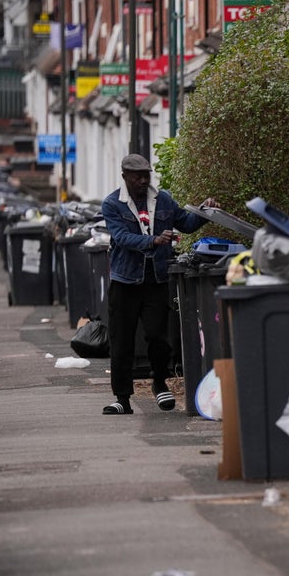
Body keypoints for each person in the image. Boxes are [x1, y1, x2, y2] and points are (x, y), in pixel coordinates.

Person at [100, 153, 217, 415]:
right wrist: (153, 241)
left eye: (146, 175)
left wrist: (204, 210)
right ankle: (122, 398)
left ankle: (160, 383)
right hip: (125, 281)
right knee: (122, 341)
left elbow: (185, 224)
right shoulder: (112, 204)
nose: (143, 181)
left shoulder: (162, 199)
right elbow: (121, 238)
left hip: (156, 278)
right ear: (125, 177)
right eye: (137, 177)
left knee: (158, 337)